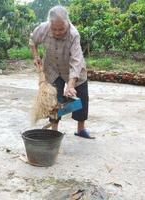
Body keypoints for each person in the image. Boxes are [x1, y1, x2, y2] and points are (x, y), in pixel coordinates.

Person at [29, 5, 94, 139]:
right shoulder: (43, 28)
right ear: (50, 24)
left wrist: (70, 85)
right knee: (54, 99)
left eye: (61, 29)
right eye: (54, 29)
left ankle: (81, 129)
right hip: (52, 68)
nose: (58, 32)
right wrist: (36, 56)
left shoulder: (74, 35)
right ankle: (54, 130)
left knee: (81, 96)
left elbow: (76, 61)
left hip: (73, 70)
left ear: (67, 23)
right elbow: (32, 41)